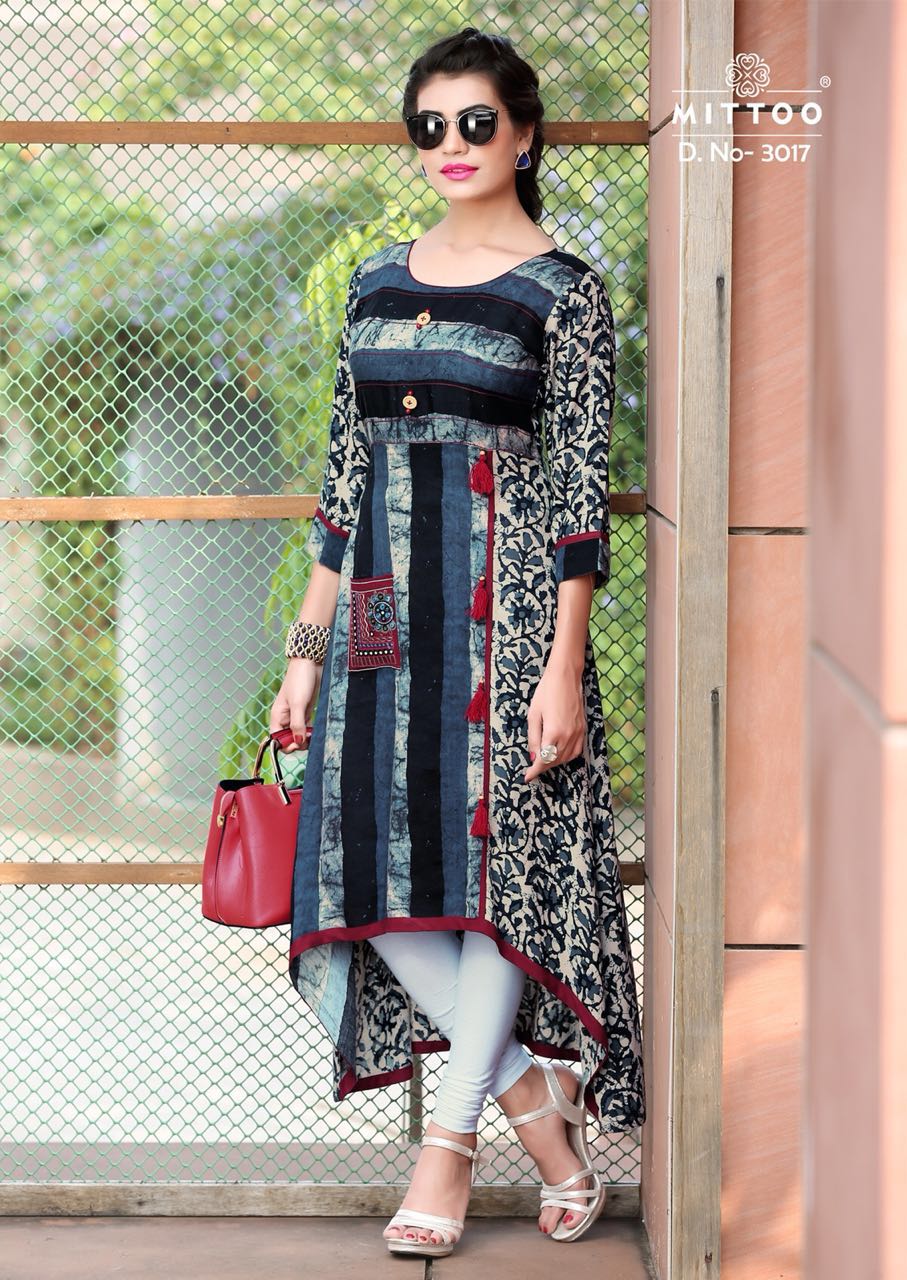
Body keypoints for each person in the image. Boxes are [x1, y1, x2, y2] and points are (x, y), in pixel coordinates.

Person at [270, 26, 645, 1258]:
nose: (450, 144)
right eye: (428, 125)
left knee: (499, 884)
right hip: (382, 617)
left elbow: (581, 494)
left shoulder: (565, 292)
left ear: (522, 135)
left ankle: (448, 1145)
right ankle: (537, 1105)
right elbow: (344, 480)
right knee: (367, 877)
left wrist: (562, 666)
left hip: (513, 616)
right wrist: (306, 649)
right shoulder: (376, 280)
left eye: (475, 122)